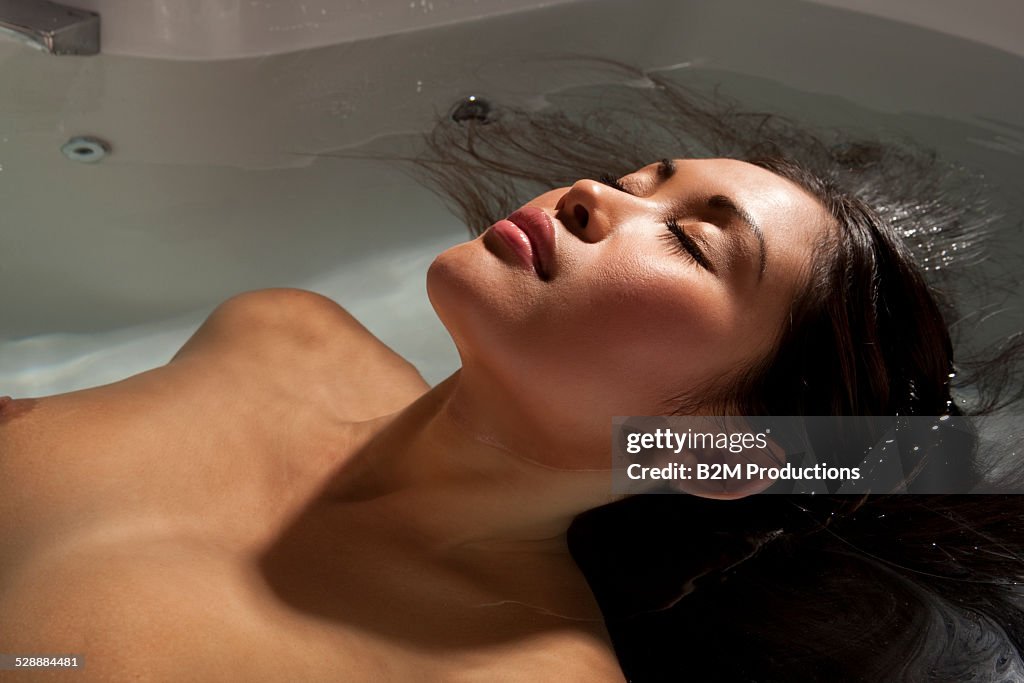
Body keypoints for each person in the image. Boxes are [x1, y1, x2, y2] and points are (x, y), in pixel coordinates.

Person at [1, 72, 1022, 682]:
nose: (592, 196)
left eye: (695, 246)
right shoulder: (277, 333)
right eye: (638, 180)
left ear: (725, 448)